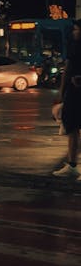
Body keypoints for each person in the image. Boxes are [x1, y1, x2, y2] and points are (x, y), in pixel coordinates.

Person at [53, 19, 81, 178]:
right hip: (73, 93)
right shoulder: (73, 47)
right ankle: (71, 164)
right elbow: (67, 70)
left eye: (77, 29)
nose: (74, 32)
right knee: (72, 128)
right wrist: (62, 92)